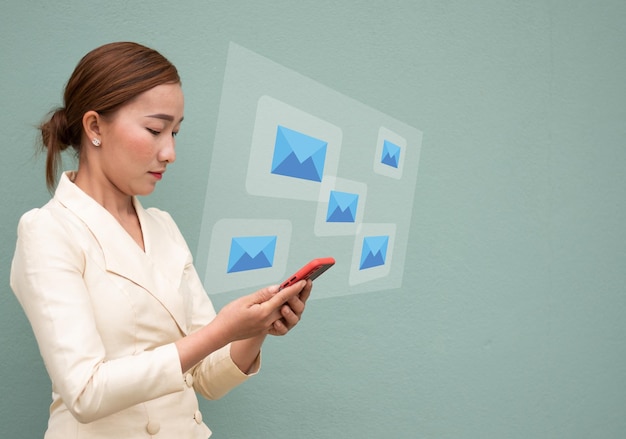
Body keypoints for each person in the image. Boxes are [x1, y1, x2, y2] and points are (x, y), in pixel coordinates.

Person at [10, 41, 312, 439]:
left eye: (174, 132)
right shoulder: (48, 231)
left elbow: (207, 378)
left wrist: (254, 327)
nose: (169, 152)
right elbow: (85, 392)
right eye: (154, 130)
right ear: (95, 127)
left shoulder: (162, 227)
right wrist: (221, 330)